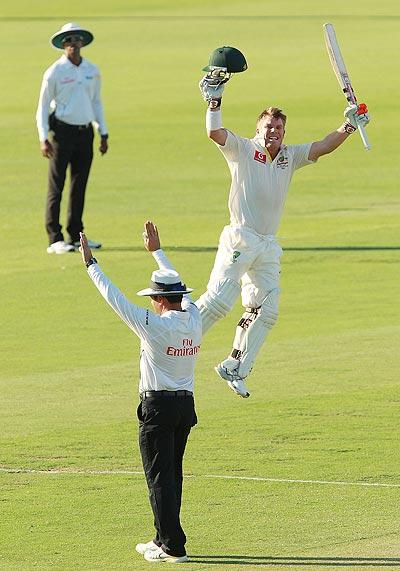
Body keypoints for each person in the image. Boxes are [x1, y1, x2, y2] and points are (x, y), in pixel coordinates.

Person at [197, 64, 370, 399]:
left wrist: (348, 125)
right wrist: (214, 103)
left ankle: (235, 366)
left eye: (278, 126)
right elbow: (215, 134)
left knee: (267, 308)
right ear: (258, 128)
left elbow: (322, 146)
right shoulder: (244, 149)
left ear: (284, 131)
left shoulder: (290, 156)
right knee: (219, 302)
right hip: (240, 237)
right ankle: (177, 338)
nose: (273, 130)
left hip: (266, 245)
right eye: (268, 125)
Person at [80, 221, 201, 564]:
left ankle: (172, 547)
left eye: (154, 298)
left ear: (160, 300)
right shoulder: (193, 317)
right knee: (172, 475)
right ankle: (164, 537)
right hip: (184, 407)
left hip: (158, 409)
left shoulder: (154, 326)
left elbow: (113, 298)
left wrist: (91, 265)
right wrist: (157, 253)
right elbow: (185, 294)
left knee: (159, 477)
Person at [36, 22, 109, 254]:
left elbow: (96, 102)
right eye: (68, 41)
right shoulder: (54, 73)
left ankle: (76, 236)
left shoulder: (91, 70)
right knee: (56, 186)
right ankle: (54, 238)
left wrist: (103, 131)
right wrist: (43, 137)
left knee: (80, 185)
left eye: (76, 40)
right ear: (63, 45)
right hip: (62, 132)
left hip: (85, 132)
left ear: (82, 43)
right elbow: (42, 107)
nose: (73, 44)